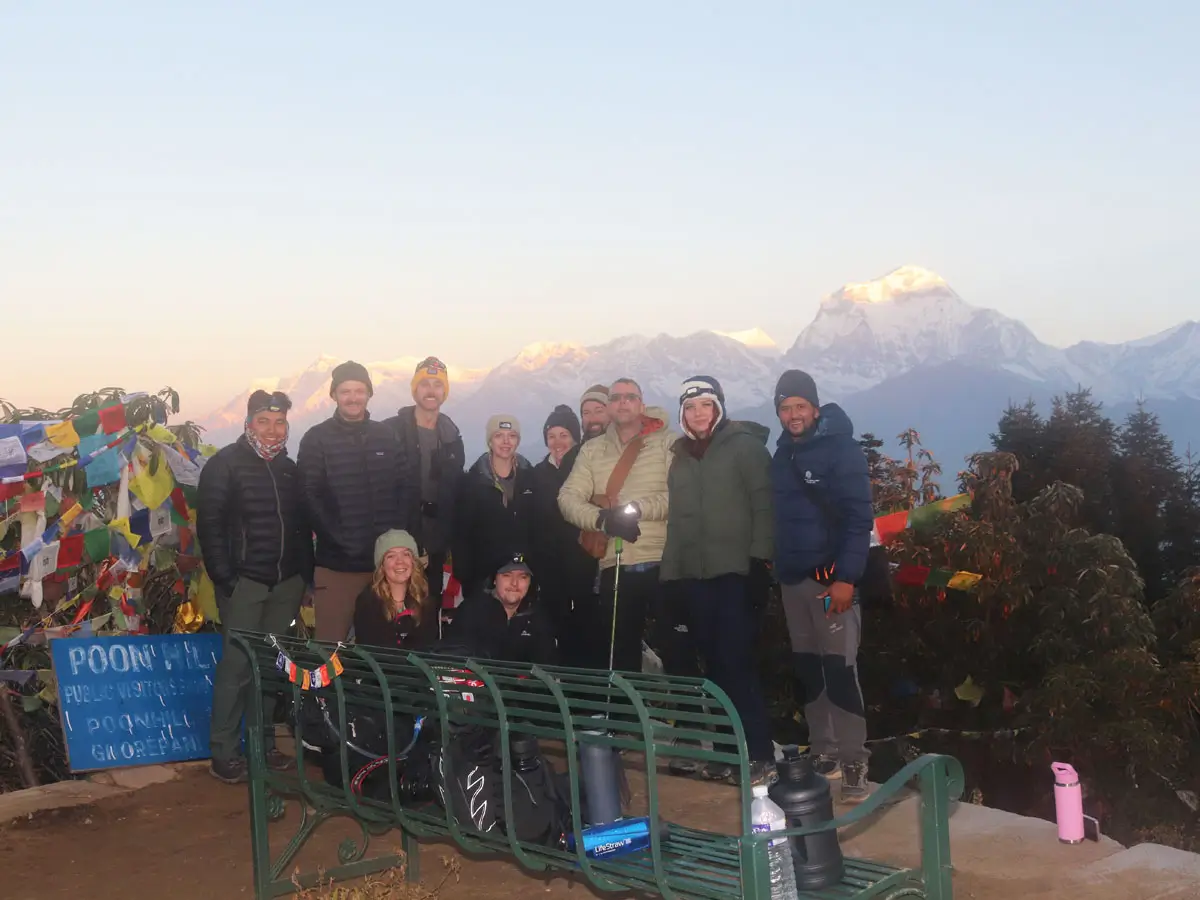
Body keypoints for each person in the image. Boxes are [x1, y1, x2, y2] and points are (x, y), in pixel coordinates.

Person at [197, 390, 313, 784]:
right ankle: (224, 753)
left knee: (269, 668)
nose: (272, 429)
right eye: (264, 421)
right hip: (245, 583)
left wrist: (303, 575)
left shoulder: (289, 468)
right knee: (237, 668)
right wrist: (226, 579)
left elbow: (299, 528)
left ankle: (262, 746)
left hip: (286, 583)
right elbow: (209, 527)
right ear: (249, 423)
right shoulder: (224, 465)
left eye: (279, 422)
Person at [661, 376, 775, 773]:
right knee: (712, 665)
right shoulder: (681, 458)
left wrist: (760, 562)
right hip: (694, 578)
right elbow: (677, 523)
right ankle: (730, 755)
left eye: (705, 406)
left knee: (736, 663)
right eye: (690, 408)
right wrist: (671, 578)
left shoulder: (744, 449)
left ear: (719, 407)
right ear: (683, 414)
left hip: (736, 573)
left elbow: (764, 506)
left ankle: (759, 753)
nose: (698, 414)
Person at [770, 369, 874, 803]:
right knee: (810, 671)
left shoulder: (841, 450)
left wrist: (847, 577)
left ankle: (854, 758)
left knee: (840, 670)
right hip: (794, 580)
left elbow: (858, 518)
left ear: (815, 408)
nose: (793, 415)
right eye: (785, 408)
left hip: (832, 581)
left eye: (800, 406)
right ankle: (825, 751)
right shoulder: (781, 455)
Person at [557, 378, 687, 674]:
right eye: (616, 398)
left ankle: (686, 717)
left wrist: (638, 510)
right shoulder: (592, 450)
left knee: (678, 649)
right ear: (609, 407)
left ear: (642, 405)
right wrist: (602, 519)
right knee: (620, 654)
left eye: (630, 397)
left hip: (664, 559)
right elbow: (567, 498)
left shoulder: (668, 443)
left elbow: (680, 495)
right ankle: (625, 716)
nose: (623, 402)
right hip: (615, 563)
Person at [297, 361, 417, 642]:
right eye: (345, 391)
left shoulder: (386, 436)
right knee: (331, 645)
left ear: (369, 394)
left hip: (384, 567)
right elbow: (308, 495)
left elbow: (405, 487)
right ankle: (326, 689)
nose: (353, 397)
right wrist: (340, 538)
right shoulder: (317, 439)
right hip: (338, 566)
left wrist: (393, 538)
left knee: (384, 644)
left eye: (359, 390)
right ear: (334, 395)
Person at [383, 357, 466, 618]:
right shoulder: (391, 431)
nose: (431, 391)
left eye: (437, 385)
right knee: (391, 611)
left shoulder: (451, 436)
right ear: (414, 389)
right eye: (425, 384)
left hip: (436, 541)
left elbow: (454, 492)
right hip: (397, 538)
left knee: (429, 610)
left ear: (445, 392)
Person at [530, 405, 596, 663]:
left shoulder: (585, 469)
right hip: (547, 566)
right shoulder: (536, 474)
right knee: (552, 626)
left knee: (584, 626)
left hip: (583, 561)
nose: (557, 443)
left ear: (575, 438)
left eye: (564, 435)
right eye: (551, 436)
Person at [452, 415, 536, 599]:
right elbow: (461, 533)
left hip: (522, 576)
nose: (506, 442)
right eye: (499, 436)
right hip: (482, 578)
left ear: (518, 441)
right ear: (490, 441)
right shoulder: (472, 482)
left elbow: (540, 528)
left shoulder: (532, 479)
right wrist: (465, 575)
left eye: (512, 436)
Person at [448, 553, 558, 665]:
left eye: (523, 577)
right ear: (494, 579)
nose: (514, 583)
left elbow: (547, 667)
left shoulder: (538, 617)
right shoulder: (471, 611)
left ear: (530, 583)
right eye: (507, 575)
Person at [353, 529, 438, 651]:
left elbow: (428, 647)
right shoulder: (367, 602)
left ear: (413, 562)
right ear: (382, 565)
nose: (400, 561)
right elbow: (373, 651)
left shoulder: (426, 599)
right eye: (391, 556)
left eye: (406, 554)